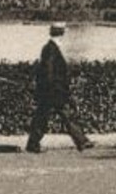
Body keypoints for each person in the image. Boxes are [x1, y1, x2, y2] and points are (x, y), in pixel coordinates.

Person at [25, 23, 95, 153]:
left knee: (43, 117)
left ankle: (33, 144)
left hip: (49, 91)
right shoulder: (52, 49)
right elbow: (49, 72)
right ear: (61, 34)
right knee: (66, 115)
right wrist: (57, 89)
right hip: (53, 91)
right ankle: (82, 141)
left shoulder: (49, 48)